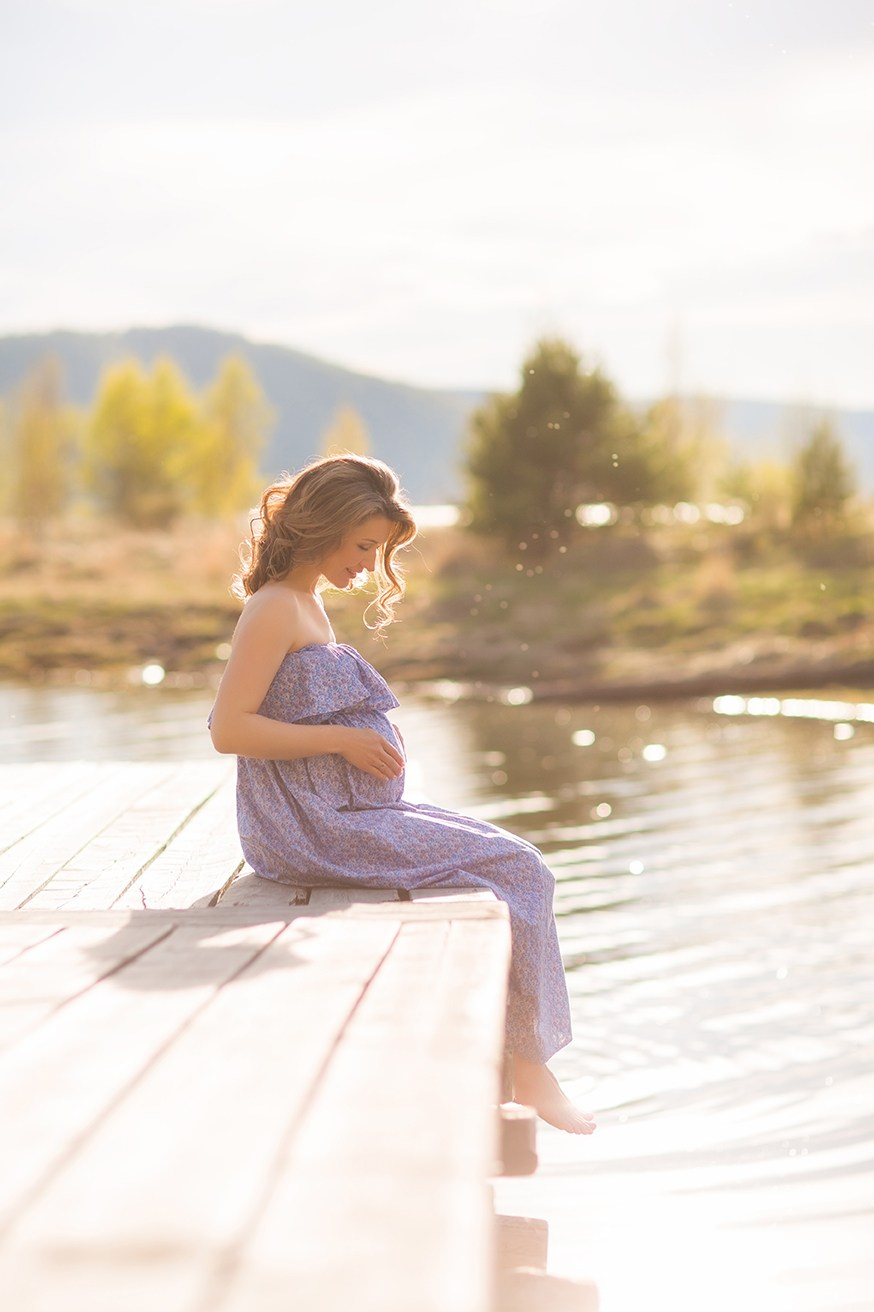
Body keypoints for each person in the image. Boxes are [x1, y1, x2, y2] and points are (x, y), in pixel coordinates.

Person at [209, 454, 595, 1134]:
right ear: (322, 526)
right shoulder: (273, 609)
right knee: (521, 869)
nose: (369, 563)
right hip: (311, 829)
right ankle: (530, 1071)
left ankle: (512, 1065)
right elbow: (229, 729)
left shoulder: (307, 605)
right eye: (362, 546)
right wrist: (343, 744)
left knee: (512, 865)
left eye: (378, 549)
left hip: (344, 814)